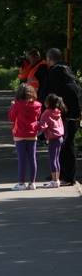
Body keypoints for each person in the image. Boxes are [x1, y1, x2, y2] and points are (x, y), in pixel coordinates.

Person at [39, 47, 80, 186]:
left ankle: (66, 177)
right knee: (64, 145)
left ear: (49, 58)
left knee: (64, 146)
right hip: (71, 115)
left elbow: (52, 94)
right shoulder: (68, 71)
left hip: (63, 117)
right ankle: (60, 175)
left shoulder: (54, 73)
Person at [8, 83, 42, 190]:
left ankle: (21, 183)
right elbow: (37, 117)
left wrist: (12, 106)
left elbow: (11, 118)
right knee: (32, 159)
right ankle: (32, 183)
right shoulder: (38, 105)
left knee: (22, 160)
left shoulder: (18, 105)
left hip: (20, 135)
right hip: (32, 134)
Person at [36, 93, 66, 188]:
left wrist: (36, 127)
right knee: (57, 160)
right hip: (60, 137)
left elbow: (43, 126)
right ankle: (57, 180)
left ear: (47, 103)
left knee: (52, 159)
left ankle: (54, 180)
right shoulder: (57, 111)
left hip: (53, 138)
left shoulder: (47, 113)